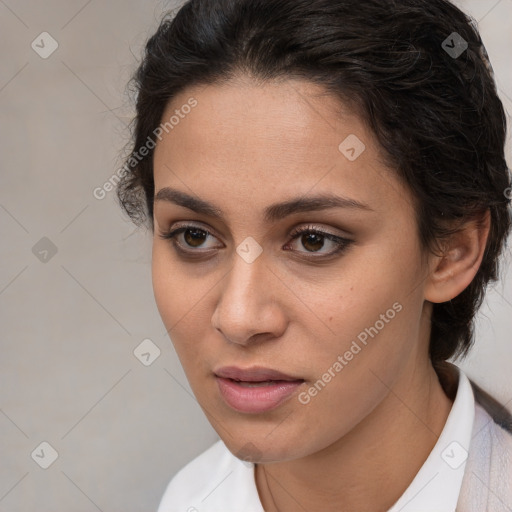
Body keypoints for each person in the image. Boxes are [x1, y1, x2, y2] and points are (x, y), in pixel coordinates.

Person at [116, 0, 512, 510]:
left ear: (452, 252)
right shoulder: (189, 500)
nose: (237, 318)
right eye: (194, 236)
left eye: (313, 240)